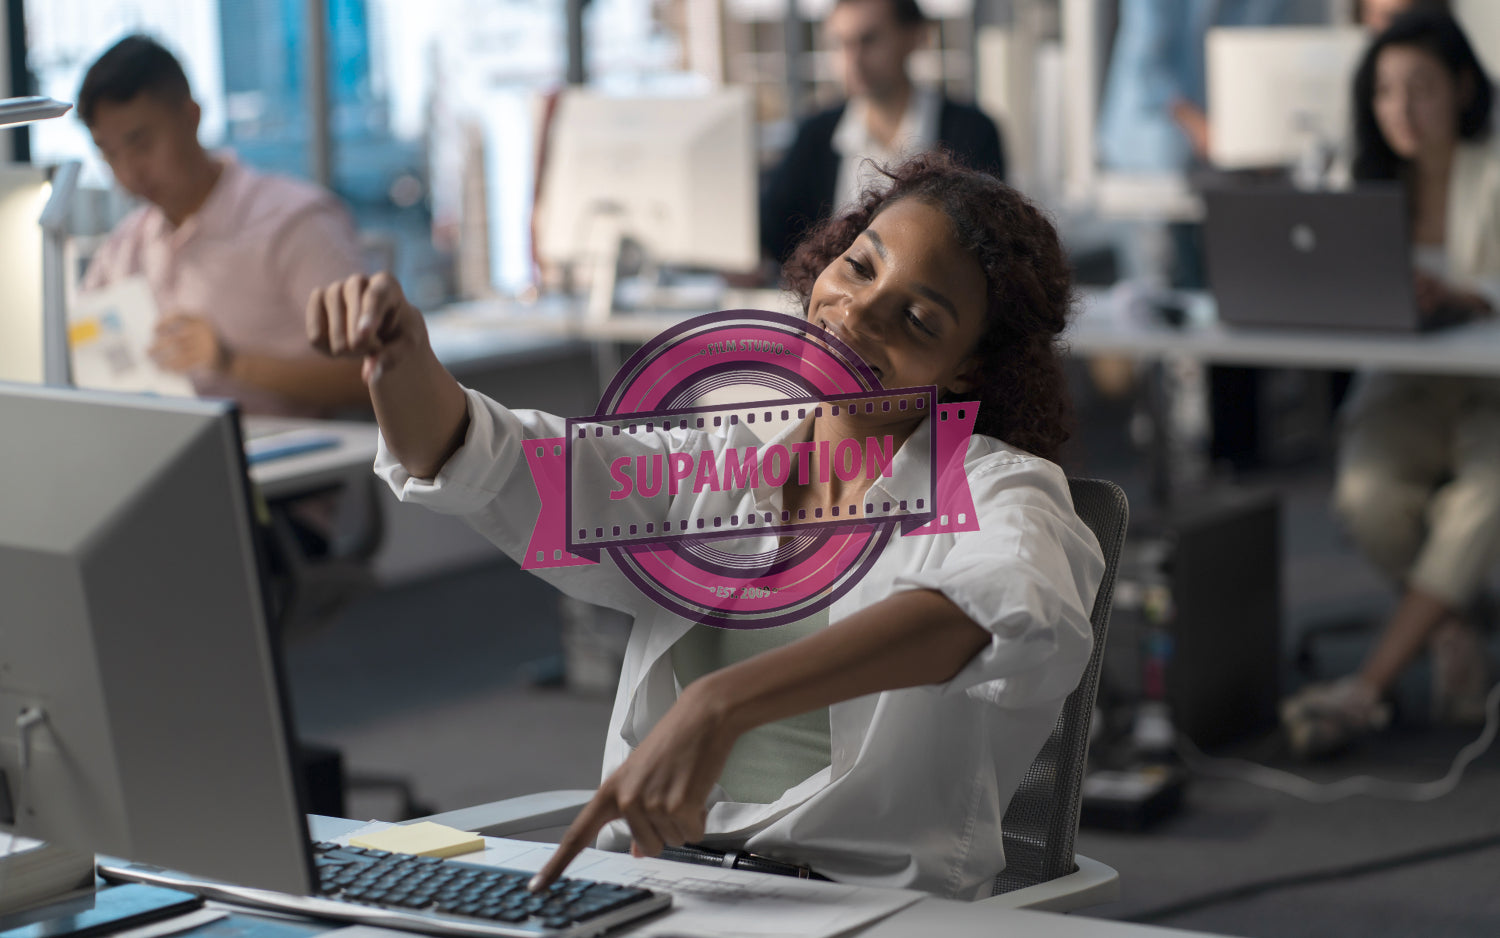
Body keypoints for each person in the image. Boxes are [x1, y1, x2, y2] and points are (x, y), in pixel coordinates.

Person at [308, 153, 1103, 898]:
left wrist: (722, 702)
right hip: (663, 893)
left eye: (919, 319)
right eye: (858, 265)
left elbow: (999, 609)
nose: (857, 311)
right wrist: (404, 361)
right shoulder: (724, 461)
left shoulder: (1006, 492)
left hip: (863, 909)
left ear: (969, 370)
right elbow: (498, 461)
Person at [1280, 10, 1500, 758]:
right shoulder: (1363, 177)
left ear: (1464, 88)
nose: (1402, 111)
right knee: (1366, 498)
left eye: (1422, 89)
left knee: (1487, 494)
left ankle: (1366, 686)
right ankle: (1452, 625)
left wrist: (1473, 296)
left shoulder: (1495, 164)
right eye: (1385, 92)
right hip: (1404, 384)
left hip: (1490, 386)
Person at [78, 34, 368, 419]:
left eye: (141, 143)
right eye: (109, 154)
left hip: (286, 462)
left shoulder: (293, 223)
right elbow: (77, 346)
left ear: (191, 116)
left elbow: (369, 375)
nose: (129, 171)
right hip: (162, 453)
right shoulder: (124, 246)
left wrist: (230, 361)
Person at [757, 0, 1004, 268]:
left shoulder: (972, 131)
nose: (853, 60)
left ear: (914, 37)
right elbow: (772, 233)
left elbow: (986, 243)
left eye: (869, 40)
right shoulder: (816, 134)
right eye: (840, 43)